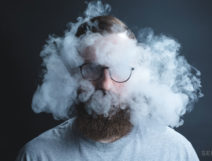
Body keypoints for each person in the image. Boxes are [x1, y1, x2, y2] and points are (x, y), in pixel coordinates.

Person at [16, 16, 199, 161]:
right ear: (71, 76)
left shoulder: (176, 152)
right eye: (91, 69)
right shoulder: (38, 155)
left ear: (139, 75)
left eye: (119, 69)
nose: (105, 85)